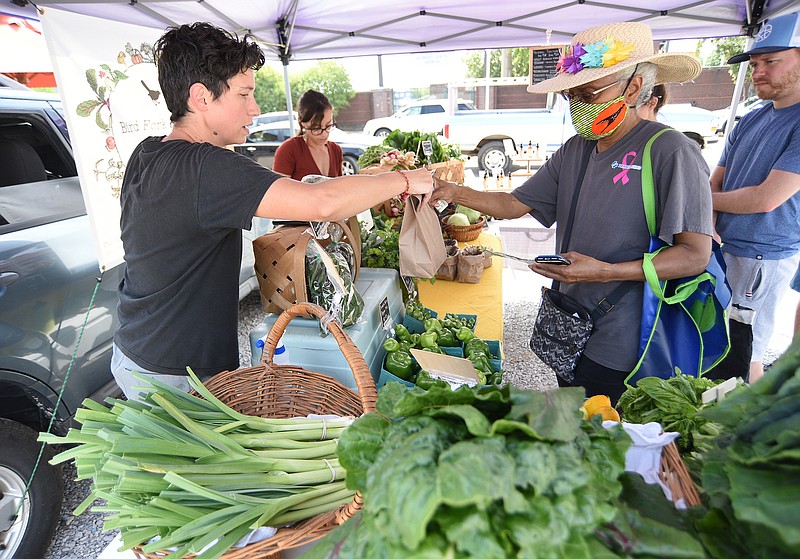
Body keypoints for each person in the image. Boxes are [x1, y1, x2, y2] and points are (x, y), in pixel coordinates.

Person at [111, 22, 433, 401]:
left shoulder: (149, 152)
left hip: (137, 349)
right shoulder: (206, 167)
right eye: (245, 94)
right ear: (201, 97)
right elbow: (322, 203)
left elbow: (296, 189)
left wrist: (369, 180)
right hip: (177, 374)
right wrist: (407, 180)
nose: (255, 108)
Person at [431, 22, 712, 404]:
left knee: (605, 421)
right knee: (575, 409)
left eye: (587, 93)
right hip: (571, 322)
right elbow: (513, 205)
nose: (577, 105)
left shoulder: (671, 152)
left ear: (632, 88)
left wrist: (606, 272)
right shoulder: (577, 148)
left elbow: (695, 255)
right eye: (571, 96)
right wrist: (451, 190)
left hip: (624, 334)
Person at [708, 11, 800, 383]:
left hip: (765, 254)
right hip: (722, 247)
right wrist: (707, 225)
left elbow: (765, 200)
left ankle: (750, 436)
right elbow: (714, 182)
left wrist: (703, 202)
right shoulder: (751, 117)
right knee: (717, 346)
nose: (757, 70)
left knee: (746, 353)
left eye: (770, 61)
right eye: (755, 62)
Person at [273, 90, 343, 180]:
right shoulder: (289, 150)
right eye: (316, 128)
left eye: (328, 126)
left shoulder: (336, 150)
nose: (324, 134)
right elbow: (278, 191)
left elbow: (340, 189)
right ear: (301, 122)